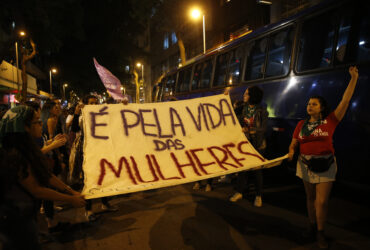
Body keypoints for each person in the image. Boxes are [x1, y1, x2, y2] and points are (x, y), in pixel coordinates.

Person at [288, 66, 359, 249]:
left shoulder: (330, 121)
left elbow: (345, 100)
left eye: (314, 104)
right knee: (310, 198)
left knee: (322, 201)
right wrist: (291, 151)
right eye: (308, 104)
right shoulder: (301, 124)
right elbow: (294, 142)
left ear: (321, 108)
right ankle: (311, 228)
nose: (309, 106)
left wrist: (353, 78)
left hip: (325, 164)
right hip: (304, 164)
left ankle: (320, 233)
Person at [0, 105, 85, 249]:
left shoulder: (27, 148)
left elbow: (46, 175)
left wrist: (70, 191)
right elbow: (36, 189)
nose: (41, 124)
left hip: (26, 214)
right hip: (15, 220)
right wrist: (70, 199)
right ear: (24, 127)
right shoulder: (14, 155)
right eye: (37, 122)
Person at [70, 94, 118, 222]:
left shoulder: (101, 116)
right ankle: (88, 210)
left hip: (100, 150)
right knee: (89, 180)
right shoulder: (81, 117)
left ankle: (105, 203)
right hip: (87, 152)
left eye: (95, 103)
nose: (94, 105)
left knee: (103, 177)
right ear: (85, 104)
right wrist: (76, 113)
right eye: (91, 103)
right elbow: (74, 129)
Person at [229, 86, 268, 207]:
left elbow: (263, 128)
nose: (244, 96)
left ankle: (258, 195)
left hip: (258, 145)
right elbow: (228, 113)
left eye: (246, 94)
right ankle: (239, 192)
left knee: (257, 171)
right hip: (244, 144)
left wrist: (250, 130)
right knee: (242, 170)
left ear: (253, 96)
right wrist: (226, 97)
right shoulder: (241, 108)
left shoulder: (262, 111)